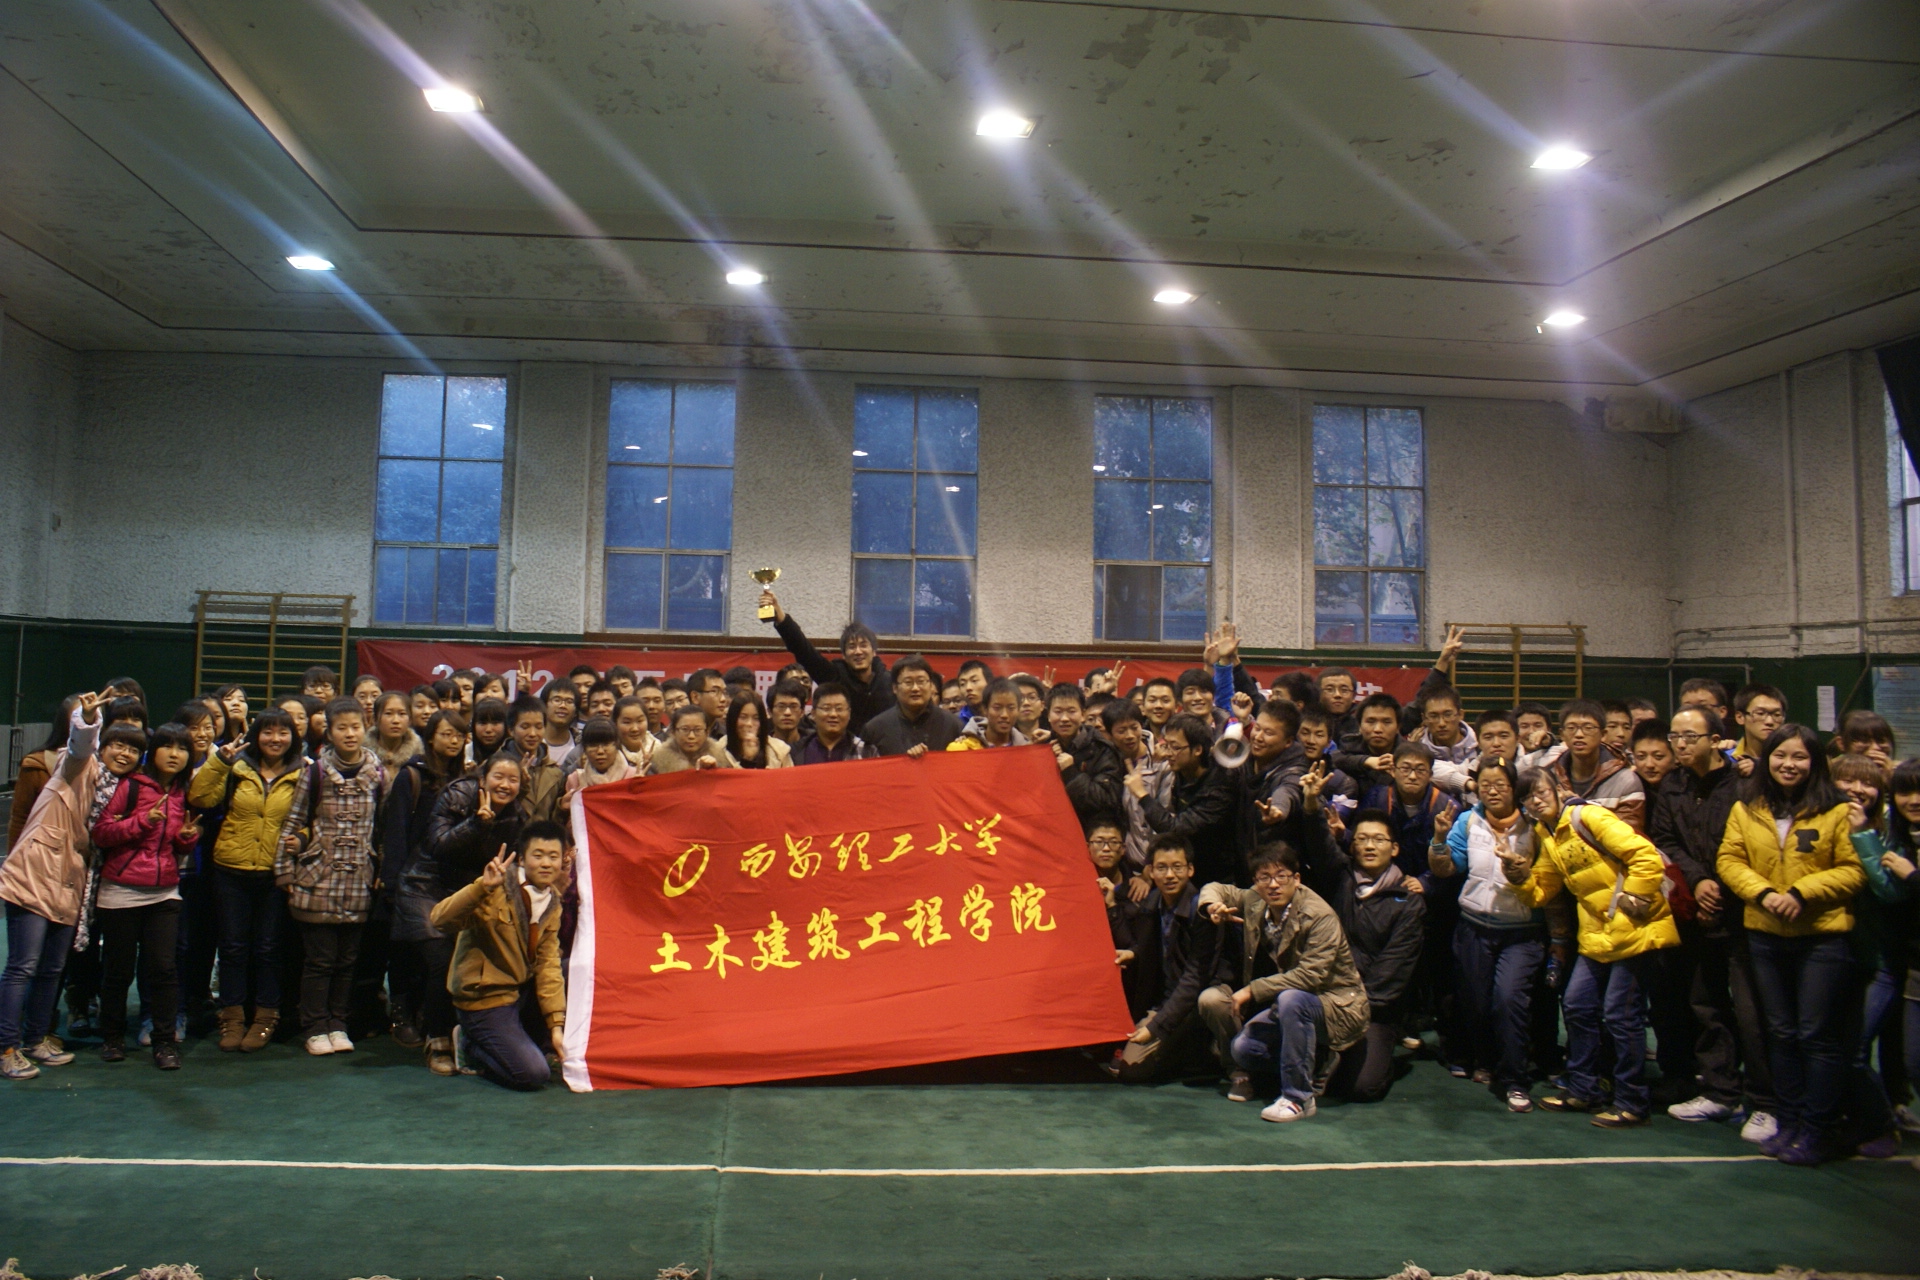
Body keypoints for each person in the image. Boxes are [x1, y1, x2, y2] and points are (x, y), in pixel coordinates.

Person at [1716, 725, 1869, 1164]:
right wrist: (1764, 894)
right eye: (1780, 755)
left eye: (1799, 757)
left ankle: (1819, 1129)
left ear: (1815, 762)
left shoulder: (1837, 810)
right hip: (1765, 934)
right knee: (1780, 1033)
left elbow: (1853, 869)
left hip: (1822, 937)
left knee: (1815, 1035)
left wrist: (1801, 893)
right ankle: (1791, 1121)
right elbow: (1729, 859)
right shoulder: (1747, 807)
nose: (1788, 764)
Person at [1506, 768, 1680, 1128]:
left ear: (1557, 789)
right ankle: (1583, 1088)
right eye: (1527, 798)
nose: (1536, 801)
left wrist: (1634, 896)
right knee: (1576, 1004)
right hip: (1596, 935)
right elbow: (1542, 891)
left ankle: (1632, 1102)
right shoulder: (1547, 834)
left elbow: (1645, 855)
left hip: (1636, 931)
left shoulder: (1588, 817)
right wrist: (1519, 876)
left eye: (1540, 792)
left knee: (1621, 1015)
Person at [1650, 705, 1778, 1141]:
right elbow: (1666, 840)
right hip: (1697, 911)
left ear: (1716, 740)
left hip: (1742, 911)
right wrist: (1698, 881)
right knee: (1705, 1005)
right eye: (1676, 736)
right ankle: (1720, 1091)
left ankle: (1765, 1102)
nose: (1681, 744)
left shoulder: (1744, 783)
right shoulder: (1673, 784)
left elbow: (1750, 845)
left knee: (1753, 1012)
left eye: (1691, 737)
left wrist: (1719, 886)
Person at [1198, 844, 1371, 1122]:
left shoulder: (1318, 915)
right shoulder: (1256, 900)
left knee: (1291, 998)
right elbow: (1214, 888)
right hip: (1293, 1005)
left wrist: (1252, 990)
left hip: (1337, 1004)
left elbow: (1310, 976)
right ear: (1256, 881)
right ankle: (1317, 1061)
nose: (1273, 885)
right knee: (1243, 1050)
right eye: (1264, 877)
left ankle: (1298, 1098)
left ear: (1297, 879)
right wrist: (1211, 906)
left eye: (1281, 876)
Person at [1429, 756, 1549, 1111]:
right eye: (1485, 785)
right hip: (1473, 929)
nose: (1492, 791)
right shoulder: (1468, 820)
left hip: (1521, 933)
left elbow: (1549, 879)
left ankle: (1516, 1081)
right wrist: (1439, 839)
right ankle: (1486, 1060)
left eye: (1500, 785)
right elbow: (1446, 868)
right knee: (1477, 1002)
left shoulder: (1536, 826)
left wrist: (1521, 871)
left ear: (1514, 788)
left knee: (1509, 1000)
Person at [0, 691, 107, 1081]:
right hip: (35, 873)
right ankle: (5, 1047)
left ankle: (35, 1039)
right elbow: (81, 744)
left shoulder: (102, 774)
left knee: (51, 968)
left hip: (68, 878)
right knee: (23, 966)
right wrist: (88, 719)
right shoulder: (73, 761)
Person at [275, 698, 387, 1058]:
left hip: (359, 878)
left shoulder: (377, 772)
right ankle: (314, 1026)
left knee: (348, 961)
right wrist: (284, 870)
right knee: (319, 960)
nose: (350, 734)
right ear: (330, 732)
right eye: (342, 727)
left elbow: (383, 828)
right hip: (318, 877)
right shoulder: (316, 772)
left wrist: (382, 870)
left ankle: (339, 1023)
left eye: (355, 727)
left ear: (365, 728)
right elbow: (293, 821)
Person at [189, 708, 304, 1053]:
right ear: (256, 735)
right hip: (231, 870)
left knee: (269, 948)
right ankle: (232, 1017)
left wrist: (305, 837)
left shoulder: (305, 772)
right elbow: (199, 797)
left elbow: (315, 817)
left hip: (275, 873)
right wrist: (219, 762)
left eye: (282, 732)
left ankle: (266, 1016)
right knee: (233, 947)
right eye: (268, 732)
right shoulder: (236, 768)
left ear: (292, 738)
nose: (275, 739)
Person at [1302, 788, 1424, 1104]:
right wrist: (1312, 805)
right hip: (1327, 995)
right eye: (1362, 839)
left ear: (1394, 848)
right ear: (1352, 845)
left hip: (1372, 1008)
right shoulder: (1340, 877)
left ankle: (1380, 1052)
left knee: (1362, 1087)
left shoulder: (1409, 901)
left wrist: (1352, 1007)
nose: (1369, 846)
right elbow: (1319, 844)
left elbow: (1394, 968)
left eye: (1379, 840)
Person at [90, 721, 201, 1069]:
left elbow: (174, 846)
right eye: (168, 746)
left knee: (164, 969)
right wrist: (142, 821)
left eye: (182, 748)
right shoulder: (131, 786)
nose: (175, 754)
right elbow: (101, 833)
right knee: (118, 970)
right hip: (121, 890)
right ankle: (112, 1037)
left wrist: (186, 838)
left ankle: (164, 1042)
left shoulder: (182, 793)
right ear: (153, 752)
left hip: (164, 892)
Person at [411, 752, 528, 1075]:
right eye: (498, 777)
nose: (505, 785)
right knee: (441, 960)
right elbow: (438, 845)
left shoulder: (516, 815)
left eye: (513, 779)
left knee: (467, 958)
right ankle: (436, 1040)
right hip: (427, 885)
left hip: (473, 890)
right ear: (483, 779)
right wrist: (477, 822)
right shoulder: (458, 795)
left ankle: (463, 1035)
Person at [431, 829, 569, 1090]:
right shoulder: (495, 887)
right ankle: (469, 1044)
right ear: (522, 859)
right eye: (538, 855)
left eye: (553, 856)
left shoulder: (552, 901)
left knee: (567, 968)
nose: (546, 863)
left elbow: (548, 963)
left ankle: (537, 1044)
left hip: (518, 993)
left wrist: (556, 1026)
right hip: (485, 999)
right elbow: (439, 919)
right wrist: (481, 888)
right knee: (533, 1074)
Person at [376, 707, 468, 1050]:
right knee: (406, 951)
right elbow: (396, 830)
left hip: (446, 879)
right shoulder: (412, 776)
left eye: (459, 735)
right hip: (410, 878)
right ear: (430, 738)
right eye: (446, 734)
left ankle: (428, 1017)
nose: (454, 741)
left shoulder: (465, 779)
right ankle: (402, 1015)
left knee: (436, 955)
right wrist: (392, 882)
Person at [1831, 752, 1905, 1157]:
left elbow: (1888, 890)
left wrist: (1862, 834)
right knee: (1835, 1047)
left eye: (1868, 783)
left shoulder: (1891, 833)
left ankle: (1882, 1123)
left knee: (1857, 1051)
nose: (1857, 790)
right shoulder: (1822, 822)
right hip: (1840, 958)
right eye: (1847, 780)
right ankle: (1855, 1120)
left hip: (1881, 964)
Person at [1107, 834, 1222, 1082]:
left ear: (1190, 870)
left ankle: (1203, 1050)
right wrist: (1134, 953)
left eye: (1177, 867)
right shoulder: (1151, 904)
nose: (1169, 875)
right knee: (1130, 1070)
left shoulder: (1203, 910)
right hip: (1165, 1002)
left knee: (1208, 1003)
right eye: (1162, 868)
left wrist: (1155, 1027)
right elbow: (1146, 946)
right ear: (1150, 871)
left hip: (1196, 1001)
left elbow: (1195, 979)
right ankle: (1187, 1051)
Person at [763, 589, 894, 734]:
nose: (858, 651)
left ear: (874, 651)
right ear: (844, 654)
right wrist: (780, 617)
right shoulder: (834, 677)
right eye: (851, 647)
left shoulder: (891, 681)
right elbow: (803, 651)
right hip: (845, 747)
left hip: (884, 748)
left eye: (863, 645)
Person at [1128, 713, 1237, 888]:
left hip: (1219, 877)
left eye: (1175, 747)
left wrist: (1142, 795)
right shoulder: (1183, 769)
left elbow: (1176, 828)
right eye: (1166, 745)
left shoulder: (1219, 787)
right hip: (1191, 868)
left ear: (1197, 750)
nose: (1168, 753)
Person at [1550, 699, 1645, 832]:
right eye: (1571, 728)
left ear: (1603, 734)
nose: (1579, 734)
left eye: (1588, 728)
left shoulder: (1626, 781)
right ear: (1562, 734)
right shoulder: (1550, 778)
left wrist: (1581, 809)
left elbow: (1627, 836)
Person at [1040, 684, 1124, 822]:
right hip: (1052, 825)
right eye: (1058, 711)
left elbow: (1107, 800)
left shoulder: (1102, 749)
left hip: (1092, 828)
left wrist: (1071, 773)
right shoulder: (1042, 747)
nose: (1064, 718)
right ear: (1048, 715)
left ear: (1083, 714)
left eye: (1071, 711)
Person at [1104, 699, 1167, 878]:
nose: (1130, 735)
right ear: (1109, 734)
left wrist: (1151, 864)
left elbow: (1166, 813)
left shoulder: (1161, 761)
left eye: (1134, 727)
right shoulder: (1107, 762)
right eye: (1121, 731)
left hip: (1154, 861)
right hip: (1123, 861)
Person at [862, 656, 962, 756]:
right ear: (895, 688)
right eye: (908, 682)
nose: (915, 688)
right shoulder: (875, 730)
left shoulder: (953, 725)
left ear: (931, 686)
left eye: (921, 681)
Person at [505, 695, 566, 823]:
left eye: (538, 727)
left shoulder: (555, 773)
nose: (533, 734)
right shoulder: (496, 767)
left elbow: (555, 821)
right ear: (511, 730)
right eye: (525, 727)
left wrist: (561, 808)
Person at [1412, 685, 1477, 796]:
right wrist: (1412, 751)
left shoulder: (1480, 746)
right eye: (1434, 716)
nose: (1441, 723)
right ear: (1424, 719)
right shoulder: (1416, 752)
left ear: (1460, 715)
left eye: (1447, 715)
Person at [651, 706, 741, 773]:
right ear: (673, 731)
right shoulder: (658, 761)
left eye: (698, 730)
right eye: (685, 729)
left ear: (707, 732)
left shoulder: (721, 756)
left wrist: (715, 770)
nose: (691, 736)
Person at [800, 684, 873, 763]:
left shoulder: (866, 751)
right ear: (813, 713)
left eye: (839, 709)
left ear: (849, 713)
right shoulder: (797, 751)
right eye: (826, 708)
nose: (833, 714)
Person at [948, 679, 1026, 752]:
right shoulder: (963, 749)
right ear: (985, 709)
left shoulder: (1026, 749)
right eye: (997, 708)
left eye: (1011, 708)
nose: (1004, 715)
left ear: (1018, 710)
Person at [1730, 684, 1787, 775]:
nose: (1769, 721)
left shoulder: (1790, 761)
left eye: (1777, 715)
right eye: (1760, 713)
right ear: (1740, 717)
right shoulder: (1726, 758)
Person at [725, 695, 792, 769]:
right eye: (743, 717)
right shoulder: (719, 751)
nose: (749, 724)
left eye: (756, 718)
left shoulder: (780, 751)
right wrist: (747, 759)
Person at [370, 690, 424, 779]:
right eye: (388, 713)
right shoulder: (363, 755)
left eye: (402, 714)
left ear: (410, 719)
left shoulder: (419, 757)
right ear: (375, 719)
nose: (396, 720)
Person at [540, 681, 581, 770]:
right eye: (557, 700)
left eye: (569, 701)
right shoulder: (532, 740)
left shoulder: (581, 745)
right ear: (544, 706)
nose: (563, 706)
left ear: (576, 712)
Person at [611, 695, 657, 772]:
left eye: (640, 721)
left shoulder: (660, 751)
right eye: (627, 722)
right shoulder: (608, 757)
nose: (635, 729)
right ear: (615, 723)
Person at [686, 669, 732, 741]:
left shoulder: (728, 737)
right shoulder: (678, 735)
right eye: (714, 691)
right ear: (695, 697)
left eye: (724, 692)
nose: (723, 699)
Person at [767, 679, 811, 748]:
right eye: (781, 706)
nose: (787, 713)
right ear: (770, 712)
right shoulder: (762, 746)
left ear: (802, 712)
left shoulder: (813, 745)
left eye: (793, 706)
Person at [468, 697, 510, 767]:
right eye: (482, 723)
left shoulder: (516, 755)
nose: (488, 730)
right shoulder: (465, 753)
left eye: (495, 723)